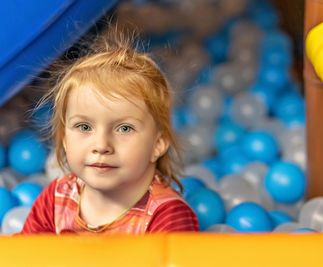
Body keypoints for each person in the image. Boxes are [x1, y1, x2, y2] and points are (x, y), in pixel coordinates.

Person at [19, 26, 199, 234]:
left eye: (124, 128)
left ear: (157, 145)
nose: (101, 145)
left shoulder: (167, 218)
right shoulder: (56, 200)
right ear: (64, 140)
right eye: (84, 127)